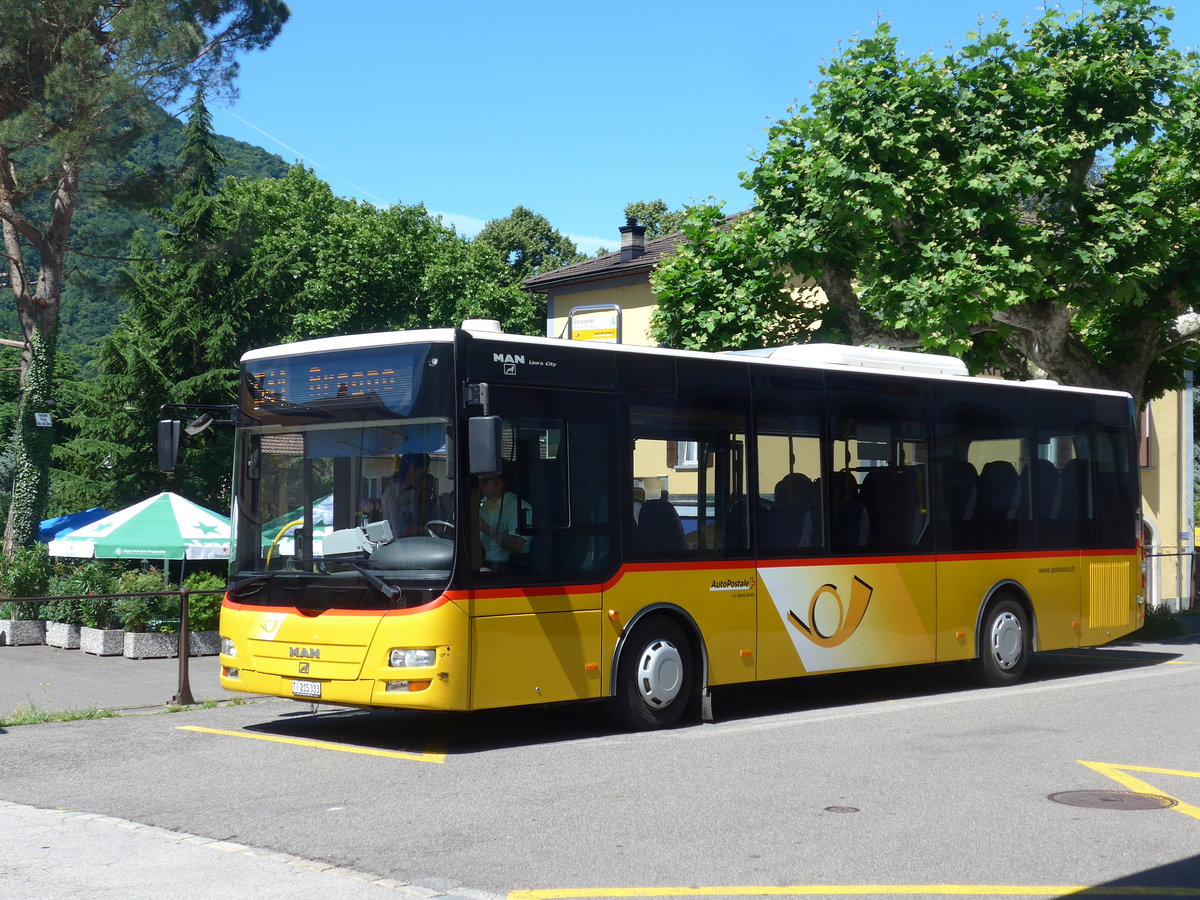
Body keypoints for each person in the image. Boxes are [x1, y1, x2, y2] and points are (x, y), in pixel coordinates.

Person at [478, 472, 531, 569]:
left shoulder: (517, 506)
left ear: (499, 484)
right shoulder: (485, 508)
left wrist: (485, 528)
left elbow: (517, 546)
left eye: (484, 482)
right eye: (479, 482)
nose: (480, 485)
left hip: (508, 568)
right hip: (484, 565)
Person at [382, 453, 440, 538]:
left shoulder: (410, 490)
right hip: (400, 546)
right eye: (424, 469)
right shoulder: (397, 490)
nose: (424, 474)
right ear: (412, 468)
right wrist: (431, 529)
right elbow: (400, 530)